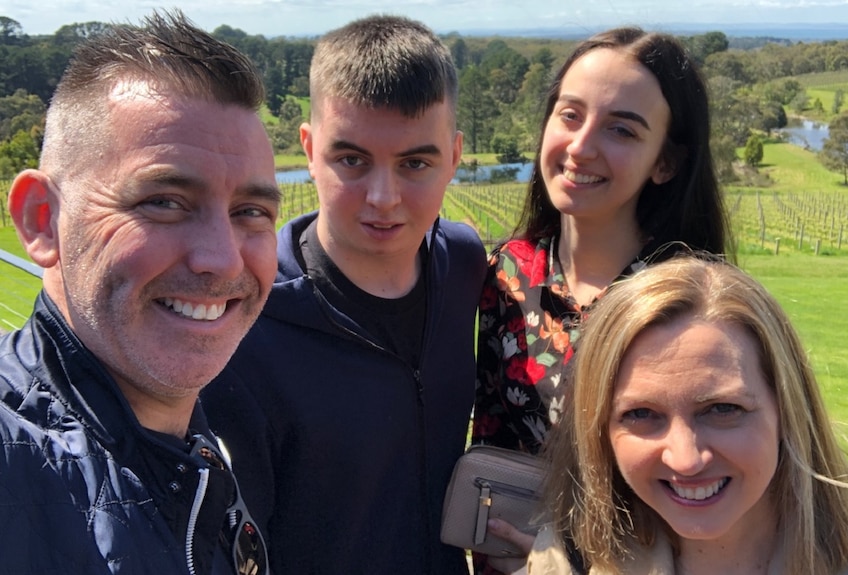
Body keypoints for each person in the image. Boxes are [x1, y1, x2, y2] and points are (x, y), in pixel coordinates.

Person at [200, 14, 486, 574]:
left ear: (454, 157)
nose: (383, 197)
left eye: (415, 163)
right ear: (309, 149)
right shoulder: (244, 325)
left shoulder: (464, 264)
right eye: (351, 160)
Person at [1, 11, 281, 575]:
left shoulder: (195, 450)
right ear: (42, 218)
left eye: (250, 212)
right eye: (164, 201)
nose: (222, 259)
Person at [471, 27, 732, 573]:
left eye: (621, 130)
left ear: (666, 163)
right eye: (570, 115)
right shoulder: (508, 273)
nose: (582, 146)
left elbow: (710, 474)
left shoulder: (690, 299)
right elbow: (495, 437)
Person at [528, 255, 848, 575]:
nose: (686, 460)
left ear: (787, 410)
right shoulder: (568, 561)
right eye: (640, 414)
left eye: (723, 409)